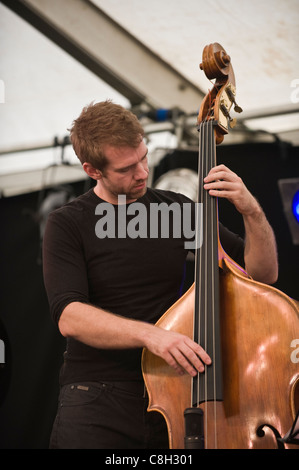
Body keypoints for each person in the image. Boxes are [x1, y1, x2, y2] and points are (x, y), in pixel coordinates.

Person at [43, 100, 278, 449]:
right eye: (126, 168)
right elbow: (70, 316)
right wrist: (153, 336)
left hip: (172, 393)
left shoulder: (176, 211)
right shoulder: (68, 223)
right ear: (93, 170)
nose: (142, 173)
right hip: (96, 397)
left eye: (143, 157)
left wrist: (251, 211)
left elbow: (261, 277)